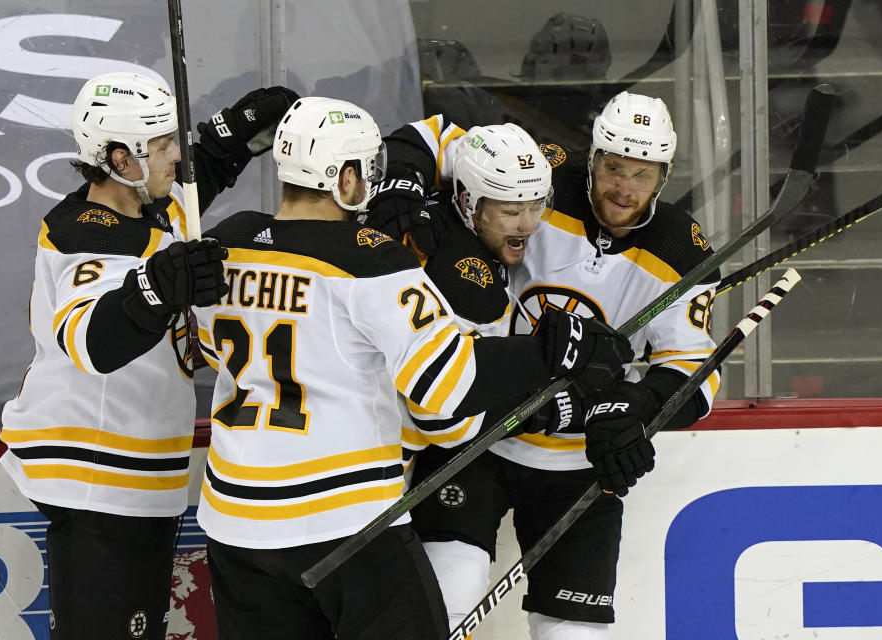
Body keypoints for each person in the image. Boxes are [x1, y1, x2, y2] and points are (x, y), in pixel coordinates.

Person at [191, 96, 634, 640]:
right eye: (371, 169)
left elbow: (207, 351)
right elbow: (446, 389)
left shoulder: (225, 243)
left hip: (235, 520)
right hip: (342, 518)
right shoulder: (373, 261)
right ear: (347, 177)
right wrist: (554, 351)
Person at [368, 92, 720, 639]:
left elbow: (695, 374)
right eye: (614, 168)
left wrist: (635, 407)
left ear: (664, 176)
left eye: (642, 175)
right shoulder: (541, 174)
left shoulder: (683, 250)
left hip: (577, 462)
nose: (624, 188)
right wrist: (404, 179)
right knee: (444, 597)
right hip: (478, 438)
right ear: (595, 155)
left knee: (572, 632)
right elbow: (440, 139)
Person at [0, 71, 297, 640]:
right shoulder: (84, 235)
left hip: (138, 477)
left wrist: (241, 125)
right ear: (120, 159)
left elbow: (200, 169)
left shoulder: (154, 206)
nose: (175, 157)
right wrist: (154, 288)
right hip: (95, 476)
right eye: (161, 147)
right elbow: (92, 341)